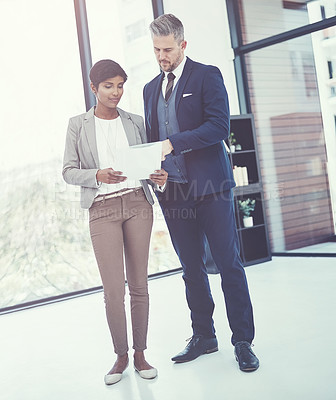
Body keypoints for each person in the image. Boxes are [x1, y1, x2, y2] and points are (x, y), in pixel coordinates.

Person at [143, 14, 259, 372]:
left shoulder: (207, 75)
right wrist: (155, 168)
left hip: (212, 187)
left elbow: (218, 126)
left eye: (167, 49)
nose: (162, 56)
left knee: (228, 265)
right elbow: (153, 142)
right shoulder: (149, 88)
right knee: (191, 269)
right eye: (156, 50)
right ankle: (204, 336)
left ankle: (242, 341)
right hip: (173, 191)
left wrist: (172, 143)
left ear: (182, 45)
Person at [62, 59, 168, 384]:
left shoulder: (135, 121)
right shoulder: (77, 125)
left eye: (120, 85)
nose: (116, 92)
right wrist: (97, 174)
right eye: (108, 86)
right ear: (94, 88)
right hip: (102, 209)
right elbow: (68, 171)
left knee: (139, 285)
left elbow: (147, 163)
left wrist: (159, 176)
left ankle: (140, 354)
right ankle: (120, 355)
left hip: (138, 204)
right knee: (112, 291)